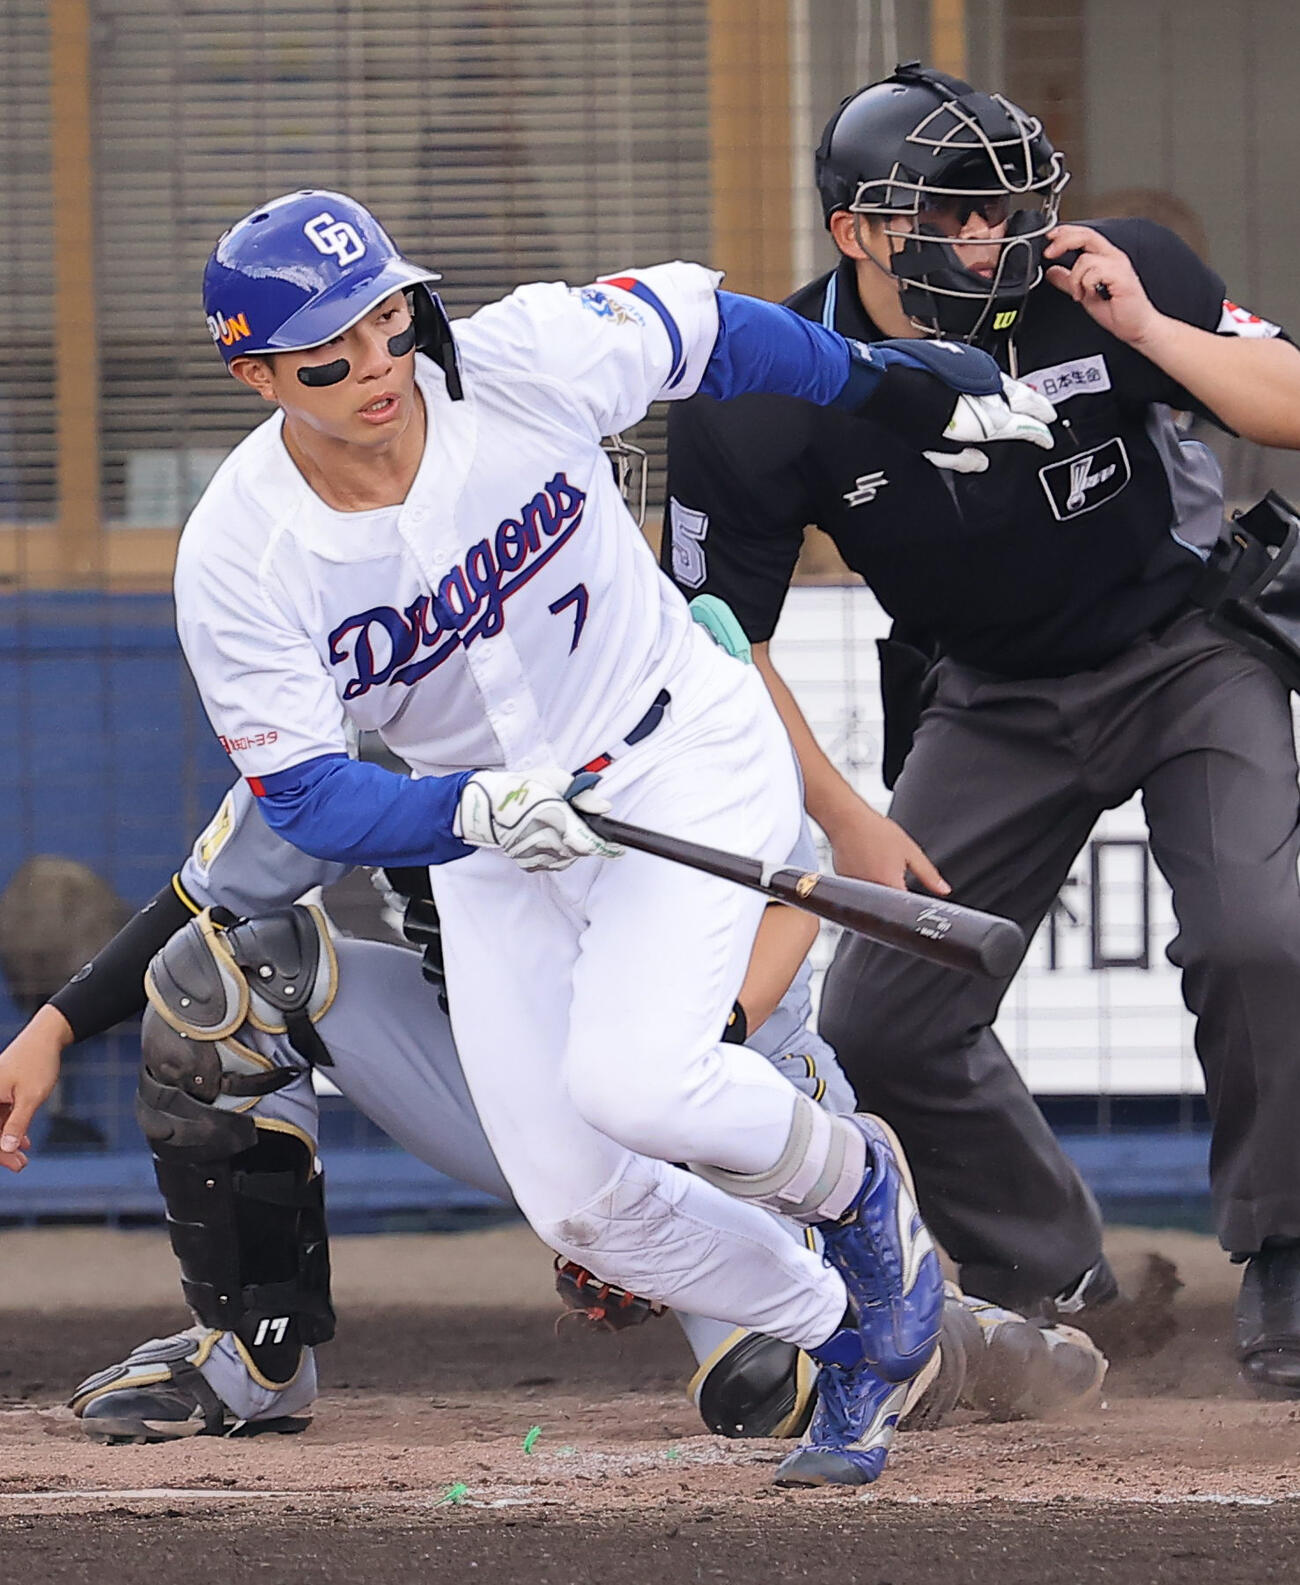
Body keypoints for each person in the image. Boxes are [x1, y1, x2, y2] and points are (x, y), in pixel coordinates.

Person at [45, 185, 1052, 1487]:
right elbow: (302, 799)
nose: (376, 368)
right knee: (586, 1205)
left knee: (641, 1082)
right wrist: (467, 809)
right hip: (494, 836)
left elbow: (710, 330)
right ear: (254, 374)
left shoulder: (514, 359)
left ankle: (864, 1193)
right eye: (326, 356)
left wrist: (895, 382)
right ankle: (864, 1330)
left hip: (672, 748)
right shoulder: (242, 554)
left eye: (389, 319)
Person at [662, 60, 1300, 1390]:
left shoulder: (1109, 274)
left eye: (1005, 206)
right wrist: (849, 820)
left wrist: (1143, 325)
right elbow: (723, 646)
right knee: (883, 1016)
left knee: (1262, 934)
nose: (986, 236)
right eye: (950, 211)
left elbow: (1283, 404)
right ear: (854, 231)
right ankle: (1049, 1279)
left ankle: (1286, 1244)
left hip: (1185, 652)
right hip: (991, 697)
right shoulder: (766, 388)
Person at [0, 753, 1105, 1444]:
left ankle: (948, 1330)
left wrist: (643, 1157)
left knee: (775, 1395)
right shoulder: (347, 731)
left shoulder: (633, 681)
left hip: (718, 1087)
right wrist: (50, 1030)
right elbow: (204, 899)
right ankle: (251, 1355)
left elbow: (788, 910)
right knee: (226, 976)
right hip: (512, 1077)